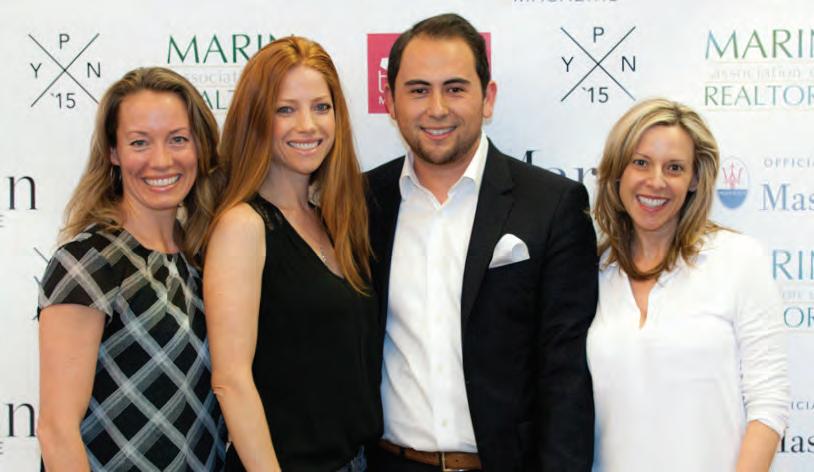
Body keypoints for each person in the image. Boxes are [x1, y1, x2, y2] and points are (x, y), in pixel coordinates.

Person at [366, 13, 598, 472]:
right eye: (418, 90)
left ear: (487, 98)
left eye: (455, 89)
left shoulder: (551, 205)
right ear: (390, 102)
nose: (437, 108)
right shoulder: (361, 203)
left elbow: (566, 375)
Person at [203, 36, 380, 472]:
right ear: (255, 119)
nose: (308, 125)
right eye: (285, 110)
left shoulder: (331, 220)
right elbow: (230, 381)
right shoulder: (243, 226)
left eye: (321, 107)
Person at [37, 67, 226, 471]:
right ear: (113, 152)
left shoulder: (202, 259)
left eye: (178, 139)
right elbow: (56, 430)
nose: (161, 160)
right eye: (140, 142)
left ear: (200, 146)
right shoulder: (89, 262)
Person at [588, 98, 789, 471]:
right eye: (641, 162)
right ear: (617, 172)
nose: (656, 181)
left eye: (675, 167)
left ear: (695, 179)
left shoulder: (737, 258)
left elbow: (769, 403)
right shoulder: (591, 272)